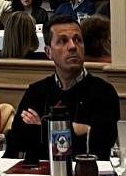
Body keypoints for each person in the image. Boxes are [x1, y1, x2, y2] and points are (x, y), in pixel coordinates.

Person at [7, 15, 120, 163]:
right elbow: (19, 140)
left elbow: (100, 145)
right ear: (48, 52)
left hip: (87, 173)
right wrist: (77, 130)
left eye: (78, 40)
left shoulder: (104, 92)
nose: (72, 46)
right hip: (41, 174)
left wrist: (42, 128)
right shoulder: (37, 91)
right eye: (63, 41)